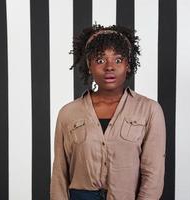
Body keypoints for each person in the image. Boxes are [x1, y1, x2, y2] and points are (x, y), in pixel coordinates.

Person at [50, 24, 166, 200]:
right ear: (89, 65)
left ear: (128, 65)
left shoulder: (149, 110)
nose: (109, 67)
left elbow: (153, 173)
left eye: (118, 60)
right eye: (100, 60)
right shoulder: (68, 113)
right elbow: (59, 173)